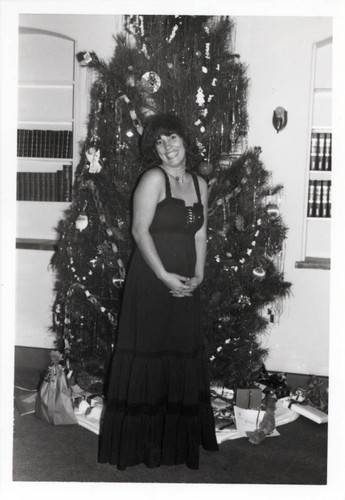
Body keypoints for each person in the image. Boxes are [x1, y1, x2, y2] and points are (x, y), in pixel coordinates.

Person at [98, 113, 218, 470]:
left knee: (180, 352)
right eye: (159, 142)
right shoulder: (153, 178)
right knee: (149, 353)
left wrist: (198, 274)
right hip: (152, 279)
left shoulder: (199, 183)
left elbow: (199, 233)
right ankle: (144, 447)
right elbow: (139, 231)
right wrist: (165, 277)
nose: (167, 148)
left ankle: (175, 444)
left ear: (184, 139)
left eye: (172, 138)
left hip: (185, 279)